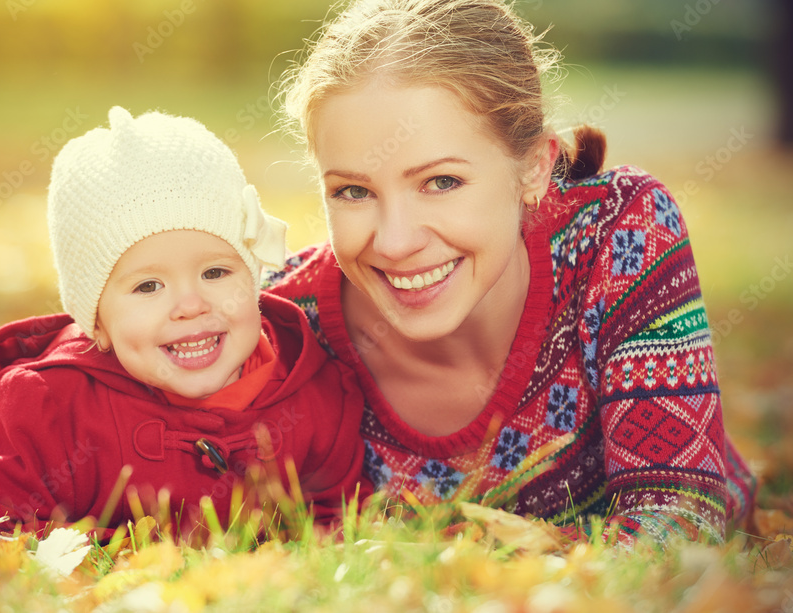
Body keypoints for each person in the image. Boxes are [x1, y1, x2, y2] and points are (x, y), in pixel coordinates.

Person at [264, 0, 756, 547]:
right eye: (353, 191)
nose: (396, 241)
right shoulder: (278, 328)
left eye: (441, 181)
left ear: (535, 167)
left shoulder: (618, 234)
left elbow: (680, 516)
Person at [0, 106, 370, 549]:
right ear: (97, 323)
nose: (190, 305)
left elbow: (339, 514)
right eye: (148, 287)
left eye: (216, 273)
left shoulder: (316, 390)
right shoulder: (53, 407)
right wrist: (128, 551)